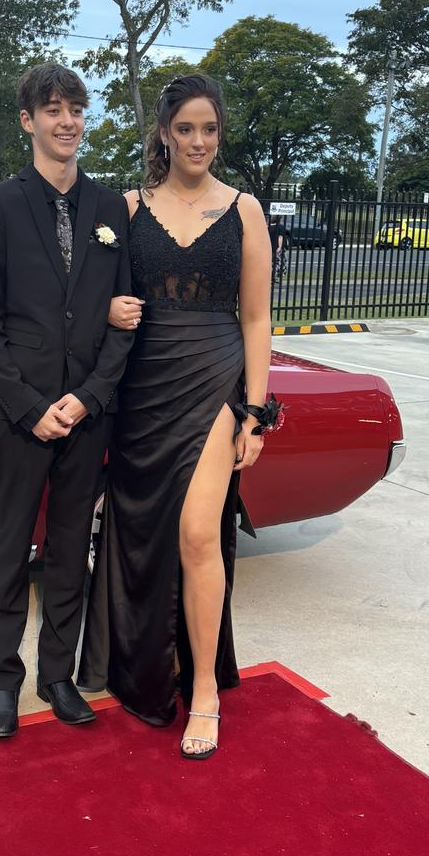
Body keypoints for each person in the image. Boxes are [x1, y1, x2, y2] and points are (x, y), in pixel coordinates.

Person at [78, 73, 280, 760]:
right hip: (144, 390)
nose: (199, 141)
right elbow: (90, 295)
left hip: (216, 381)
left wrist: (255, 410)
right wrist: (107, 307)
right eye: (186, 128)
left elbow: (255, 317)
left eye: (210, 129)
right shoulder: (126, 208)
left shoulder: (245, 210)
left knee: (198, 534)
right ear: (164, 133)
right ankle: (143, 667)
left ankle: (204, 695)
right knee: (142, 535)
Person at [0, 62, 134, 739]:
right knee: (9, 551)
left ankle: (57, 675)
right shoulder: (1, 206)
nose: (68, 121)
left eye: (77, 109)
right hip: (21, 416)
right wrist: (32, 405)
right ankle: (2, 681)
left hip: (87, 415)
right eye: (54, 109)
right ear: (28, 121)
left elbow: (127, 317)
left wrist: (88, 399)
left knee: (70, 551)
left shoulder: (108, 208)